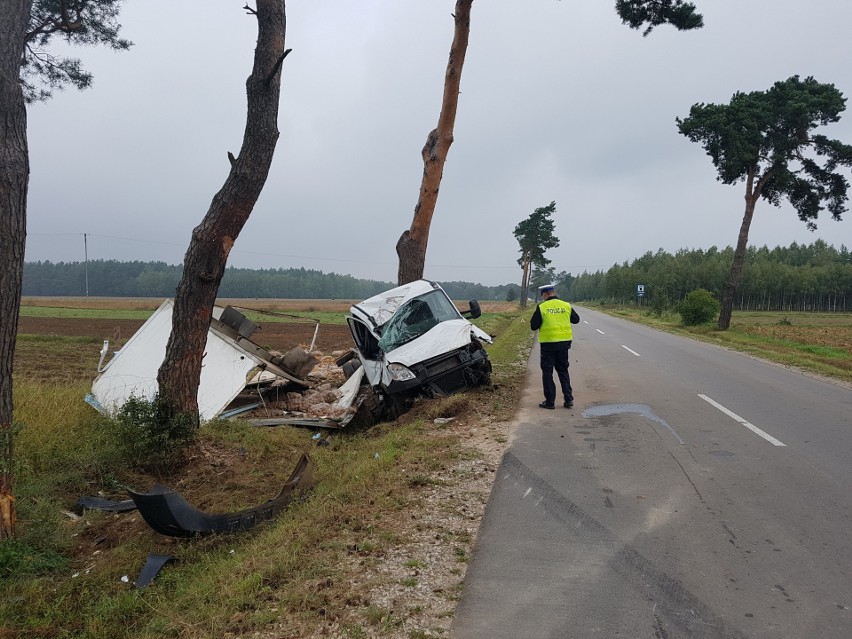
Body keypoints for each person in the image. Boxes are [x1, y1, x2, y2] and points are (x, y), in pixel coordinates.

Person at [530, 283, 580, 409]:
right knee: (563, 371)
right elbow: (576, 320)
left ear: (545, 294)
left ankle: (550, 401)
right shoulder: (566, 306)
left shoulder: (542, 307)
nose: (543, 298)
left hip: (548, 345)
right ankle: (568, 399)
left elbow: (533, 326)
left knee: (547, 372)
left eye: (543, 295)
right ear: (554, 293)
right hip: (564, 344)